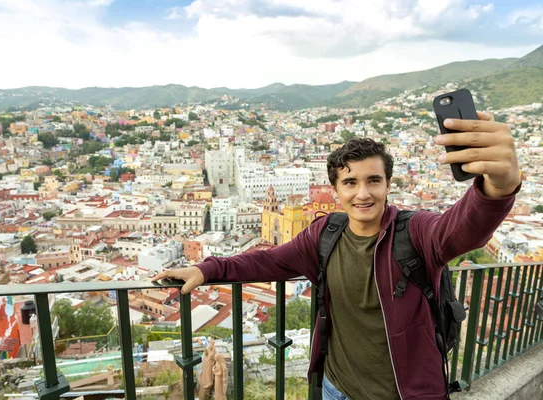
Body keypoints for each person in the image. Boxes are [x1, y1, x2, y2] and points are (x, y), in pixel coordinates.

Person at [152, 112, 521, 399]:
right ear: (336, 190)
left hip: (404, 393)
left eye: (373, 181)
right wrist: (206, 269)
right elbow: (269, 260)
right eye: (350, 182)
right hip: (335, 389)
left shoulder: (417, 232)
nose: (363, 193)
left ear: (388, 185)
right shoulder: (325, 233)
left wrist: (499, 186)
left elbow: (461, 229)